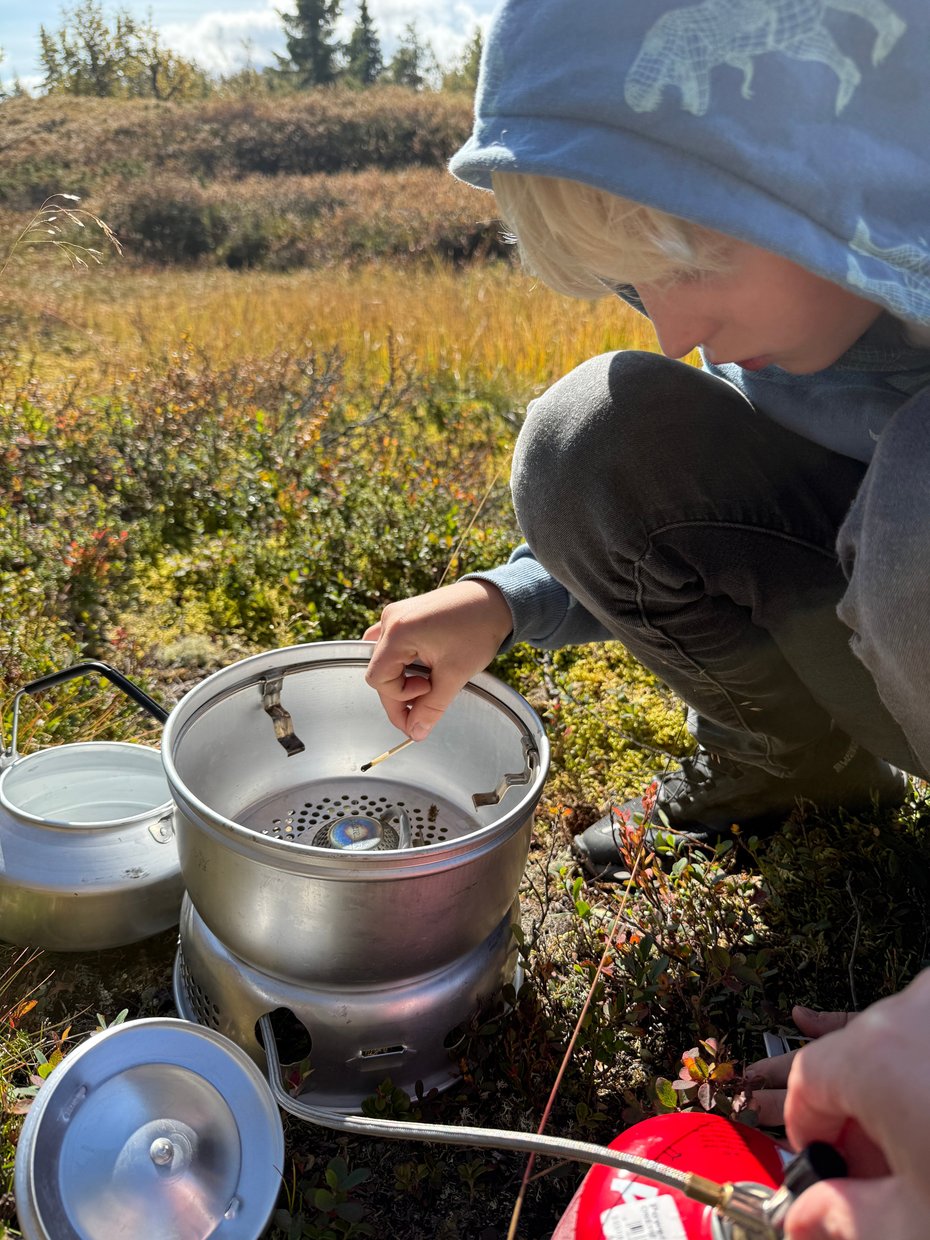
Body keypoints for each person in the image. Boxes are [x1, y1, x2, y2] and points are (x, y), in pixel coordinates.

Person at [366, 0, 930, 879]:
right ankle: (789, 775)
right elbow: (734, 515)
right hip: (889, 656)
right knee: (593, 435)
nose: (673, 332)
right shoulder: (801, 309)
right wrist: (504, 601)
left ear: (849, 168)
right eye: (634, 283)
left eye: (695, 265)